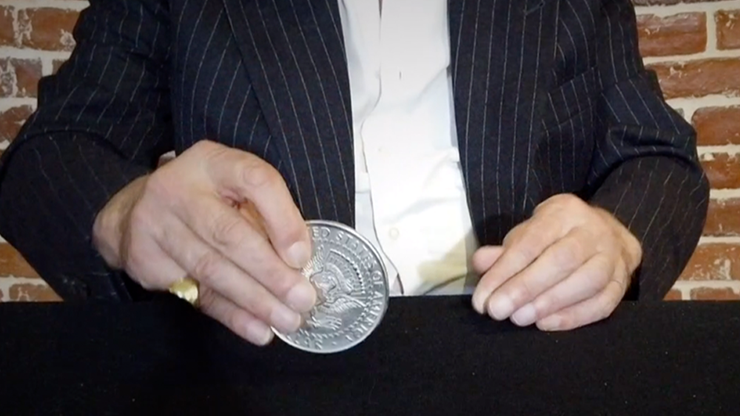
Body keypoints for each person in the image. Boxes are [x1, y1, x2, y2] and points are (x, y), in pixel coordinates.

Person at [0, 0, 709, 346]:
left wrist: (617, 236)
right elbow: (49, 158)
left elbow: (656, 153)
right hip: (259, 365)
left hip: (523, 355)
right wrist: (126, 215)